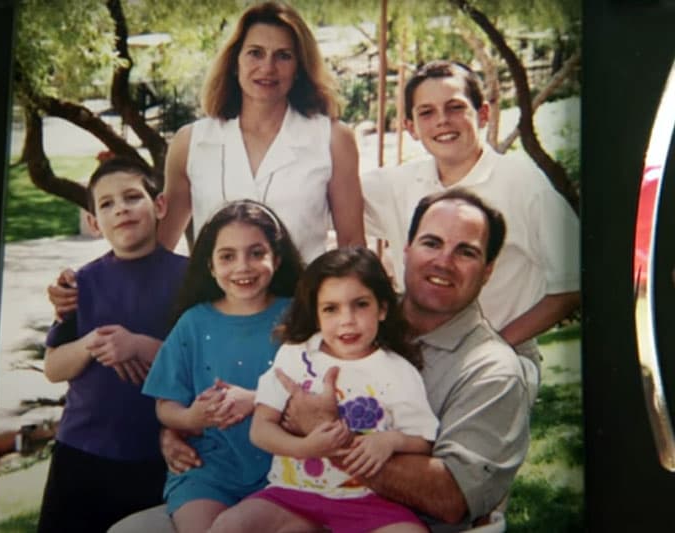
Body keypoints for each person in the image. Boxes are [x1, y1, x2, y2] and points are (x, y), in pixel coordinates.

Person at [112, 189, 530, 533]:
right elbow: (260, 399)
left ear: (488, 269)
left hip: (387, 518)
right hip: (290, 496)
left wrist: (324, 434)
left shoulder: (492, 370)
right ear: (407, 249)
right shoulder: (349, 316)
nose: (443, 261)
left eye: (466, 252)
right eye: (432, 243)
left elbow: (452, 498)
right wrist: (183, 427)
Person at [362, 59, 580, 381]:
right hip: (415, 358)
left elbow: (573, 283)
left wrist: (492, 348)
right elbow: (322, 198)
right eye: (426, 112)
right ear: (410, 127)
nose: (442, 121)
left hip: (499, 359)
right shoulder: (397, 185)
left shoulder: (521, 182)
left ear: (483, 114)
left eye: (455, 107)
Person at [210, 247, 438, 533]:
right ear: (315, 315)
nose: (347, 320)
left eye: (360, 304)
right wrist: (305, 447)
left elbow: (423, 439)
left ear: (382, 308)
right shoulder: (295, 356)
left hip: (368, 500)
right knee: (229, 526)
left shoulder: (398, 371)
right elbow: (261, 428)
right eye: (331, 309)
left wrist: (390, 441)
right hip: (292, 495)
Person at [37, 156, 188, 533]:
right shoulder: (80, 285)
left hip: (157, 455)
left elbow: (201, 365)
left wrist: (138, 345)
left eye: (132, 197)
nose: (120, 209)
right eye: (106, 204)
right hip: (82, 451)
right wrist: (90, 343)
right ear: (92, 222)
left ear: (160, 205)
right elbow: (53, 368)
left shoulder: (189, 280)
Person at [141, 199, 304, 533]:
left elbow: (318, 392)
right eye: (227, 256)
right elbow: (165, 404)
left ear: (278, 257)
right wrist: (190, 418)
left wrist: (257, 400)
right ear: (211, 266)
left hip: (288, 468)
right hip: (209, 470)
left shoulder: (301, 318)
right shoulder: (193, 323)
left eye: (256, 253)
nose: (242, 267)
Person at [158, 0, 365, 262]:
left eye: (283, 56)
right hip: (214, 301)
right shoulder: (190, 143)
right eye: (255, 53)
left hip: (301, 299)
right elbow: (160, 250)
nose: (268, 67)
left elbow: (352, 246)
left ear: (299, 68)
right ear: (235, 63)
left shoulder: (333, 140)